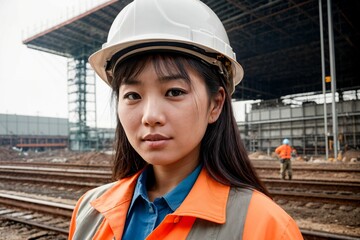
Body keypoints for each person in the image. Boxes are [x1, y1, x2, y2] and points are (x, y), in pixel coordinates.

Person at [68, 0, 303, 239]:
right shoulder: (89, 210)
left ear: (216, 104)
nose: (150, 116)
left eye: (174, 92)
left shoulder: (268, 227)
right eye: (132, 95)